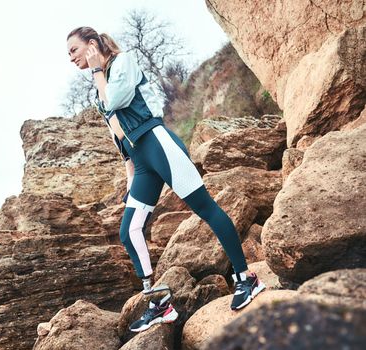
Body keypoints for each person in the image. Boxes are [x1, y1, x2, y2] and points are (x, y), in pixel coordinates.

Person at [66, 26, 265, 333]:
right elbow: (116, 131)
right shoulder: (99, 84)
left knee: (206, 209)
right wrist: (129, 172)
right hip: (141, 161)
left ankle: (245, 278)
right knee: (128, 231)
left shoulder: (122, 62)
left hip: (159, 145)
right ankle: (159, 303)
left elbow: (117, 101)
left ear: (92, 44)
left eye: (73, 50)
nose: (71, 58)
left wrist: (96, 71)